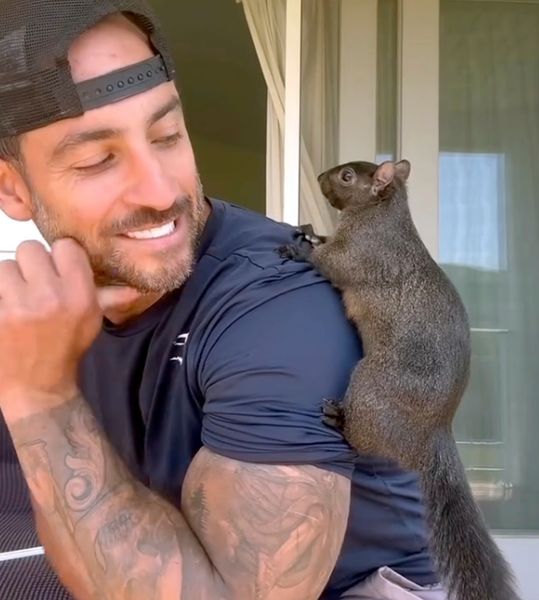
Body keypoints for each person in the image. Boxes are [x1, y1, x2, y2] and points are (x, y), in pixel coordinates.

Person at [0, 1, 447, 599]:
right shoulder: (47, 305)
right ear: (13, 188)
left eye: (168, 135)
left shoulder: (280, 306)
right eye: (97, 160)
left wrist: (39, 394)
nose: (161, 191)